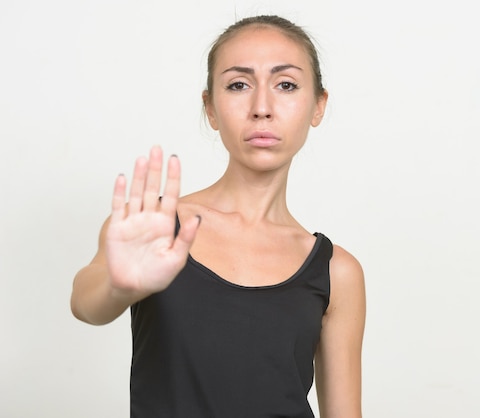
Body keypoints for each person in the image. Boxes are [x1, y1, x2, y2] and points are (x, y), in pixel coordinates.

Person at [70, 14, 366, 418]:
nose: (262, 107)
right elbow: (86, 303)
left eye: (286, 85)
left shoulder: (336, 271)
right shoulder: (154, 227)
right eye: (238, 85)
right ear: (210, 108)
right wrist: (120, 288)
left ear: (318, 106)